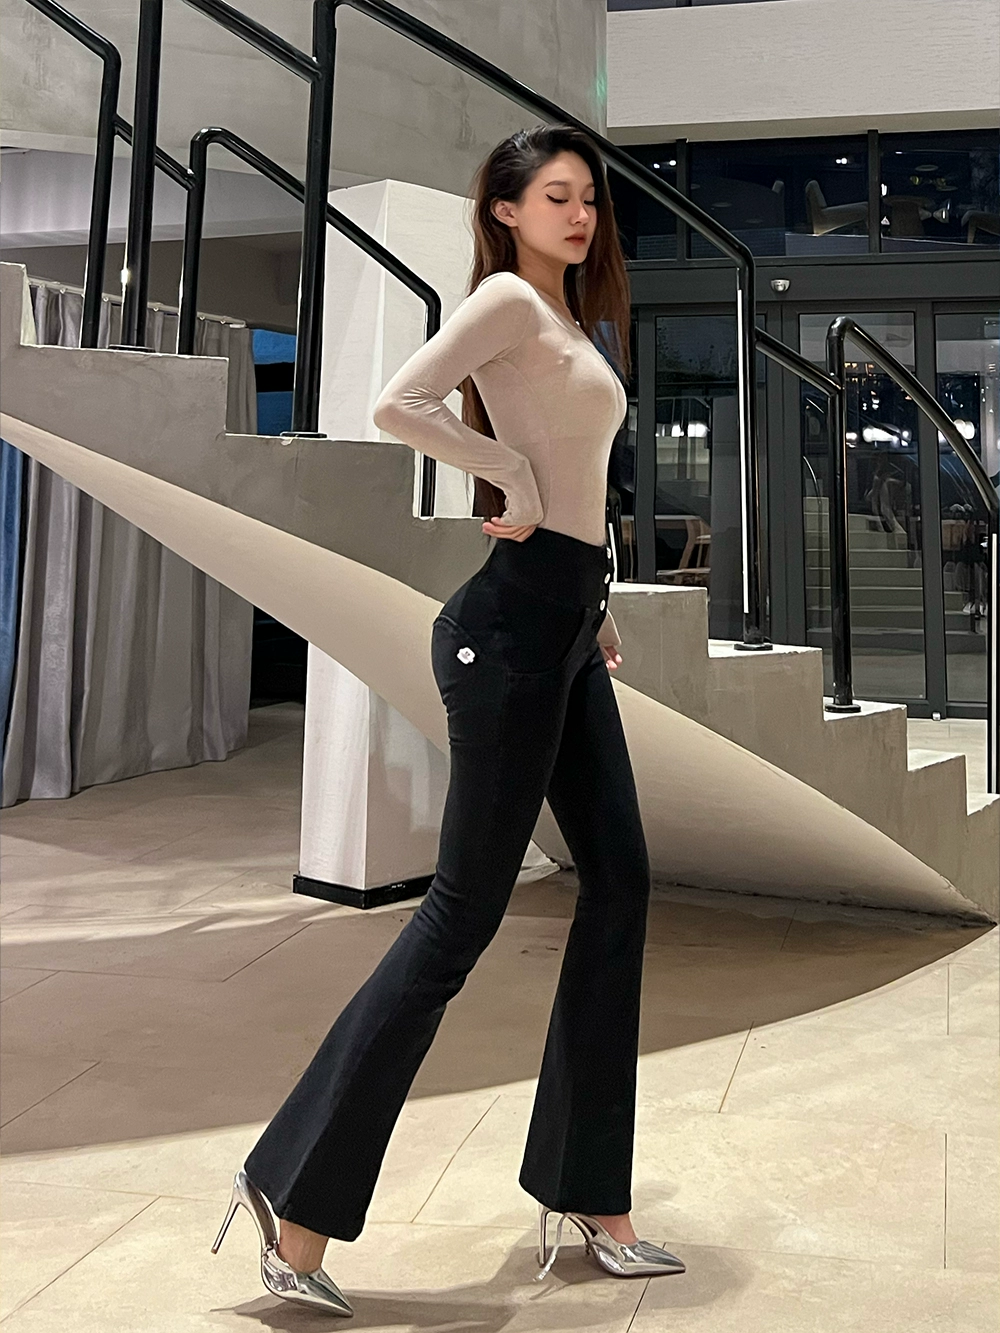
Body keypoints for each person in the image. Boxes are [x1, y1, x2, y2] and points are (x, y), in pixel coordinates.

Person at [211, 124, 686, 1313]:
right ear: (508, 209)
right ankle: (293, 1200)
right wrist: (506, 475)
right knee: (461, 915)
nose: (579, 214)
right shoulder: (507, 303)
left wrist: (595, 598)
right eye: (557, 196)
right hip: (506, 631)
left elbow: (578, 474)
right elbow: (398, 402)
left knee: (620, 882)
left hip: (563, 623)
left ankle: (589, 1192)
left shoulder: (567, 319)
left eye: (589, 199)